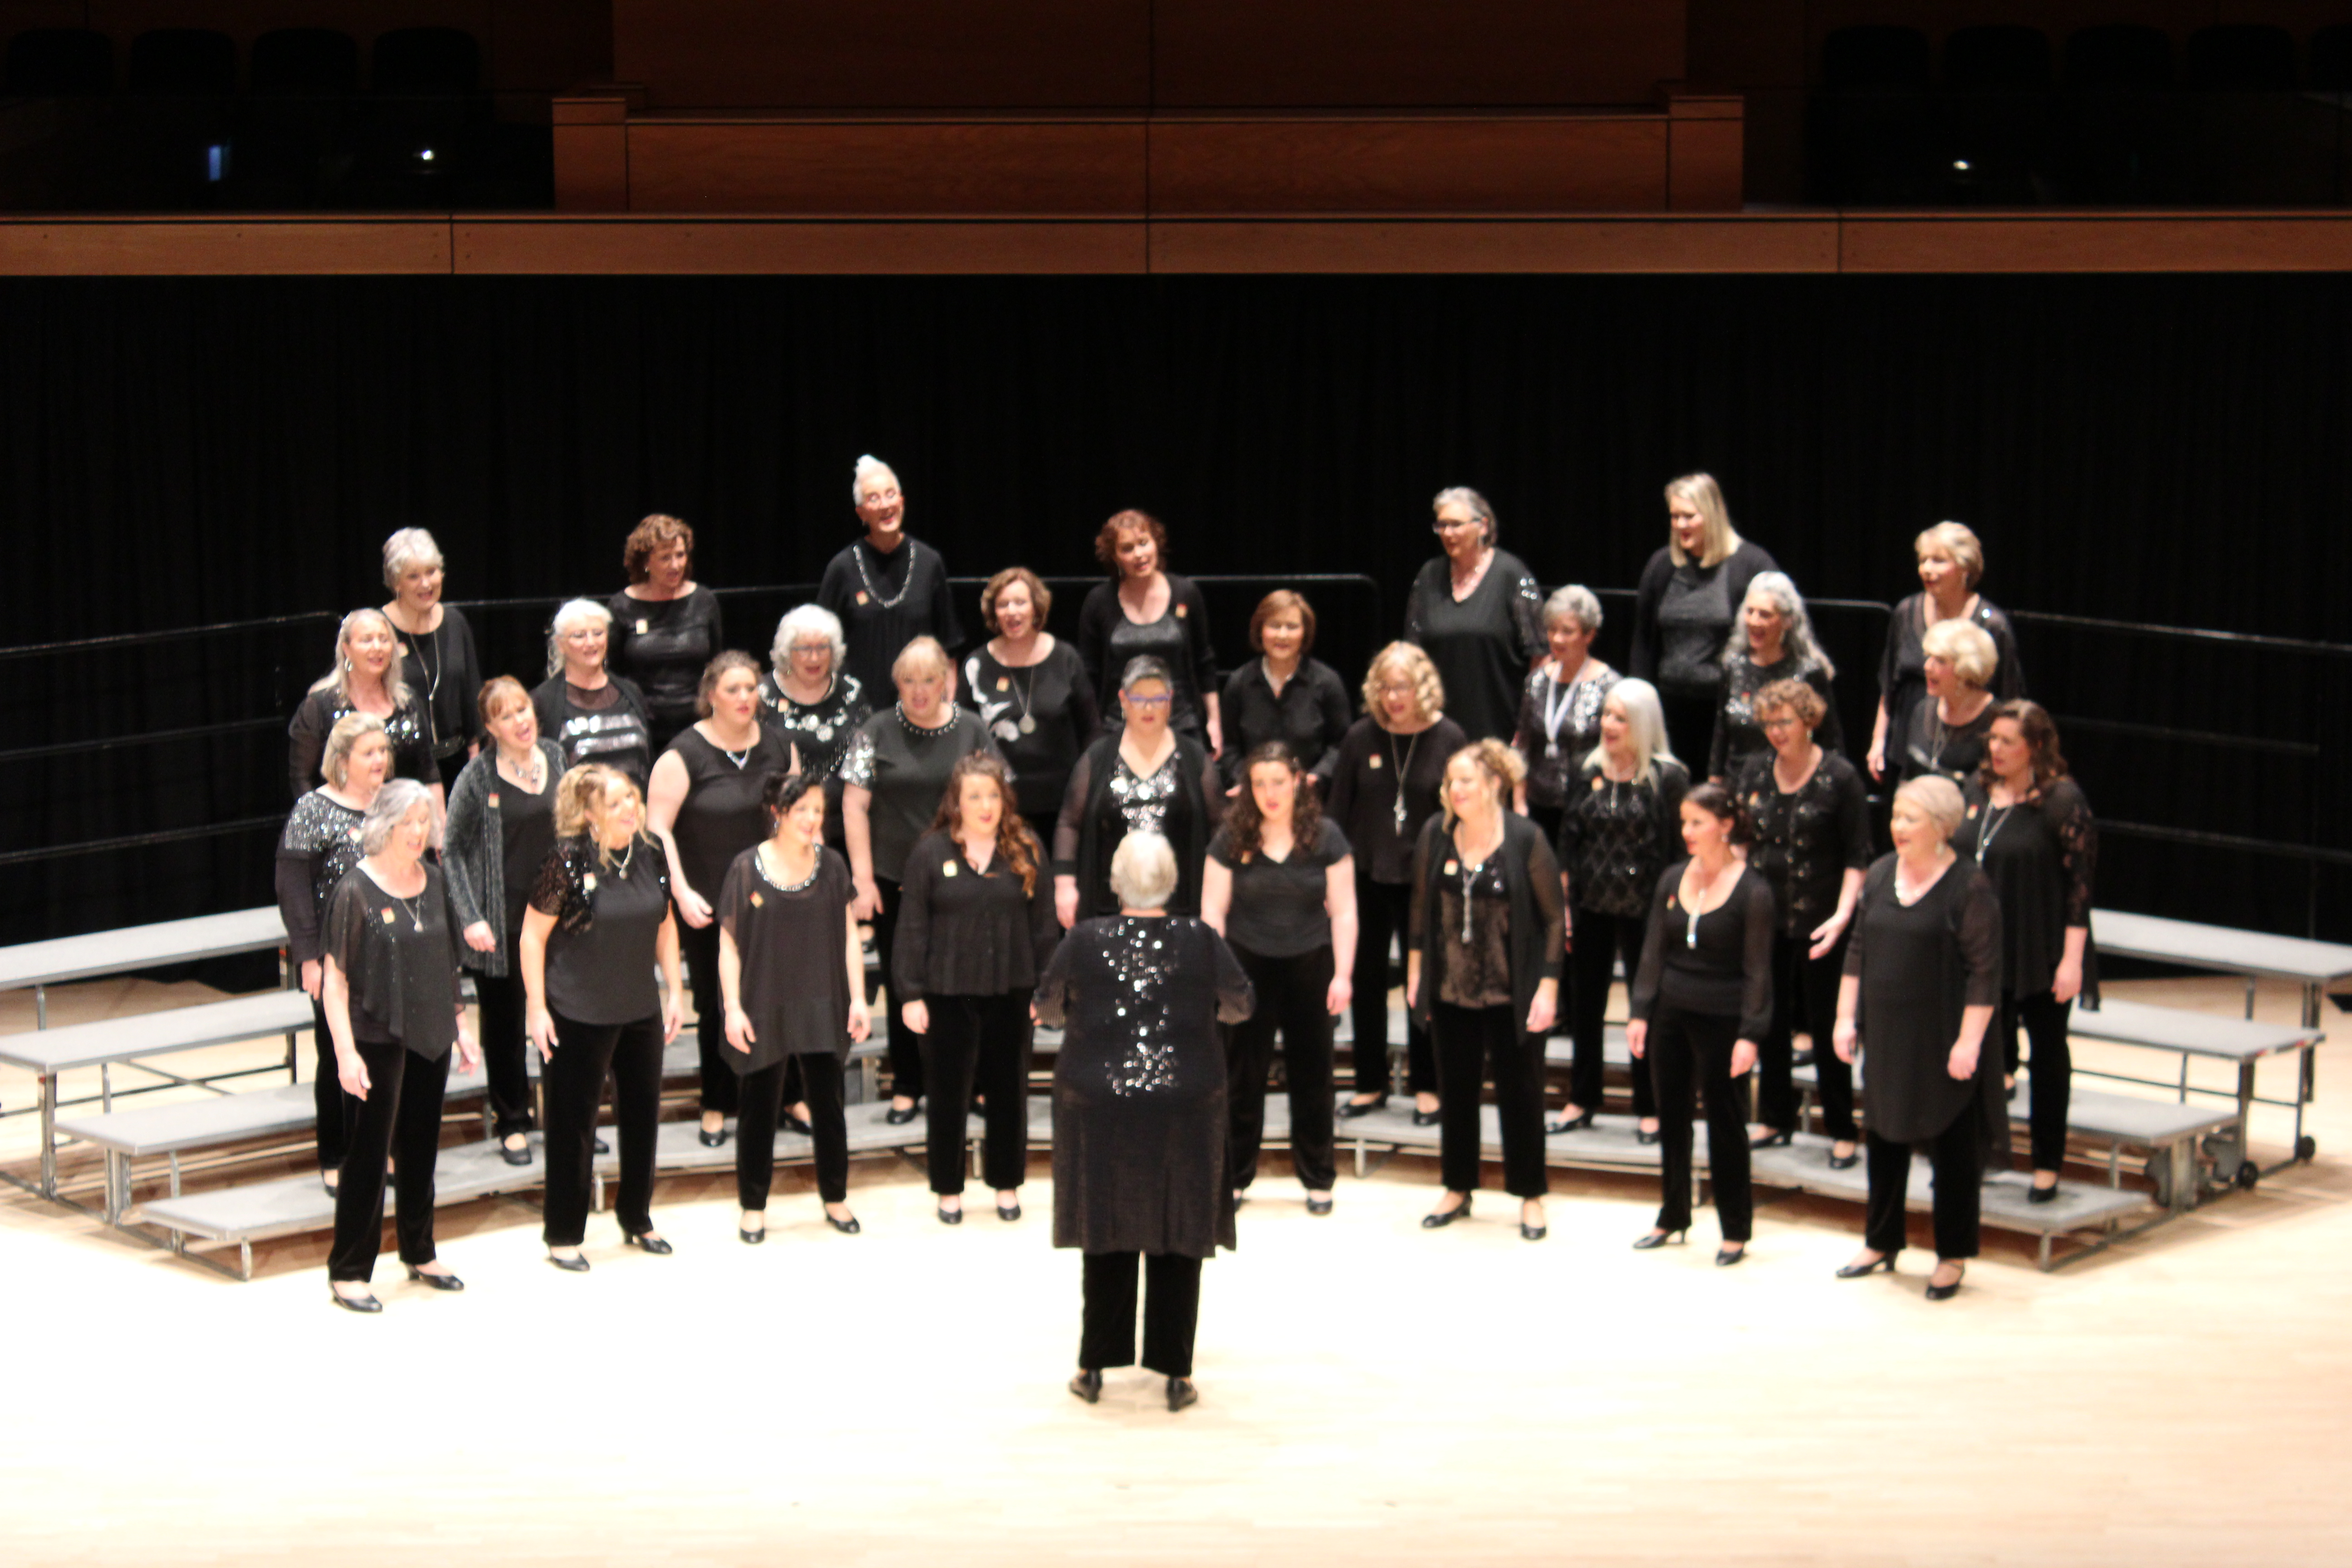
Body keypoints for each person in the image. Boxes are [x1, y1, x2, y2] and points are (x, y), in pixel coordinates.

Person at [1036, 832, 1253, 1413]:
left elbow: (1047, 1008)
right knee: (1180, 1230)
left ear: (1115, 881)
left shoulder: (1084, 939)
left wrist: (1085, 1011)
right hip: (1185, 1105)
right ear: (1173, 881)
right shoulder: (1202, 940)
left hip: (1100, 1105)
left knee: (1104, 1230)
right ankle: (1176, 1373)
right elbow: (1241, 1005)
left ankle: (1094, 1366)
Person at [1833, 776, 2004, 1302]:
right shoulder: (1882, 873)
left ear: (1942, 827)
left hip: (1942, 1037)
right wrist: (1845, 1018)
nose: (1898, 827)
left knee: (1953, 1154)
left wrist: (1969, 1042)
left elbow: (1985, 972)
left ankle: (1952, 1256)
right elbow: (1858, 950)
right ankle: (1881, 1241)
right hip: (1888, 1035)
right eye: (1896, 816)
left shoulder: (1968, 886)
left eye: (1910, 818)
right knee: (1884, 1139)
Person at [318, 780, 478, 1312]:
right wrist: (345, 1053)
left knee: (421, 1147)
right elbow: (335, 982)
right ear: (384, 825)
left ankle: (420, 1250)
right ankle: (349, 1271)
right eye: (407, 822)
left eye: (424, 822)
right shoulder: (355, 891)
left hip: (431, 1032)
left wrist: (462, 1026)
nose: (417, 832)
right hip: (375, 1038)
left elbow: (446, 964)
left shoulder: (435, 881)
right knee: (368, 1155)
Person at [520, 764, 684, 1271]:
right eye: (614, 804)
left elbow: (665, 925)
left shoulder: (650, 852)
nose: (629, 809)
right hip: (577, 1012)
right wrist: (536, 1007)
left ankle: (637, 1217)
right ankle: (563, 1235)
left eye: (630, 798)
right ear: (589, 814)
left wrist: (676, 991)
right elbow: (532, 937)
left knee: (642, 1119)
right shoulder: (566, 860)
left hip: (639, 1008)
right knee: (573, 1127)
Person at [894, 753, 1058, 1224]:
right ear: (956, 802)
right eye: (975, 797)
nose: (985, 806)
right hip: (947, 994)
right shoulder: (930, 853)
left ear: (1005, 800)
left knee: (1009, 1093)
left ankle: (1006, 1185)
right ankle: (949, 1190)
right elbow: (912, 929)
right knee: (947, 1096)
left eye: (993, 796)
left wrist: (1045, 991)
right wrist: (911, 994)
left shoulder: (1027, 849)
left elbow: (1044, 928)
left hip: (1012, 992)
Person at [842, 635, 1000, 1124]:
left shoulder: (972, 728)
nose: (919, 690)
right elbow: (854, 805)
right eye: (909, 681)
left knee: (966, 983)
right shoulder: (876, 730)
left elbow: (997, 796)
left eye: (929, 680)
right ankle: (907, 1085)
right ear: (897, 684)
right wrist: (863, 879)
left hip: (964, 880)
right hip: (894, 878)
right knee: (903, 982)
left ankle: (971, 1083)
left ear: (946, 681)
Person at [1407, 740, 1561, 1242]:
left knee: (1522, 1095)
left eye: (1466, 780)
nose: (1456, 789)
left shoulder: (1525, 838)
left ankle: (1531, 1195)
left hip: (1512, 992)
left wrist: (1548, 986)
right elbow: (1420, 910)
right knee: (1456, 1094)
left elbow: (1555, 919)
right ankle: (1458, 1188)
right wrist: (1416, 973)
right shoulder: (1436, 833)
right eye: (1451, 780)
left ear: (1494, 783)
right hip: (1451, 990)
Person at [647, 652, 799, 1150]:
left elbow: (797, 818)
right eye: (733, 689)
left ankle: (790, 1097)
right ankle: (716, 1103)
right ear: (711, 695)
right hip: (708, 901)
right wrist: (680, 889)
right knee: (716, 1005)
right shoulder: (683, 755)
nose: (744, 698)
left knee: (781, 997)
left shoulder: (780, 745)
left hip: (772, 897)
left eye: (751, 688)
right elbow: (657, 828)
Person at [718, 771, 872, 1240]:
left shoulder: (833, 865)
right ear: (778, 812)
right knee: (759, 1107)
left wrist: (859, 998)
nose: (811, 818)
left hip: (823, 999)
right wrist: (732, 1007)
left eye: (818, 810)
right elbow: (728, 945)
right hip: (764, 1000)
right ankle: (753, 1206)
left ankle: (836, 1197)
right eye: (801, 809)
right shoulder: (746, 867)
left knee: (829, 1106)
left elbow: (849, 937)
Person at [1203, 743, 1355, 1215]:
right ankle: (1234, 1178)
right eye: (1260, 783)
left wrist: (1344, 975)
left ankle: (1319, 1178)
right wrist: (1218, 974)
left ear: (1297, 783)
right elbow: (1213, 910)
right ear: (1248, 788)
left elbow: (1345, 911)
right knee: (1242, 1079)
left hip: (1311, 966)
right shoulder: (1231, 836)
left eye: (1278, 782)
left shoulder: (1326, 836)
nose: (1270, 793)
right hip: (1246, 970)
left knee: (1314, 1077)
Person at [1626, 782, 1774, 1264]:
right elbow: (1653, 951)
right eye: (1684, 822)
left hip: (1723, 1018)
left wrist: (1751, 1033)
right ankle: (1673, 1214)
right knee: (1671, 1117)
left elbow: (1758, 971)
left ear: (1725, 825)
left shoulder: (1753, 891)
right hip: (1671, 1012)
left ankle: (1735, 1229)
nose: (1686, 831)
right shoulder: (1673, 879)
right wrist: (1640, 1011)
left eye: (1697, 822)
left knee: (1725, 1123)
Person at [1954, 700, 2097, 1202]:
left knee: (2048, 1055)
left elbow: (2080, 888)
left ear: (2035, 746)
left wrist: (2072, 960)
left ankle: (2046, 1164)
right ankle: (1979, 1153)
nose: (1995, 749)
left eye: (2007, 742)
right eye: (1991, 739)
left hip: (2041, 945)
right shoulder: (1975, 791)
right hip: (1983, 946)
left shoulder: (2061, 801)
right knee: (1980, 1052)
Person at [1733, 679, 1870, 1163]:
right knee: (1768, 1019)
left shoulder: (1840, 777)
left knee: (1826, 1022)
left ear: (1808, 721)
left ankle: (1841, 1128)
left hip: (1822, 919)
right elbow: (1740, 842)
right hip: (1765, 917)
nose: (1776, 732)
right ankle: (1775, 1117)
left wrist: (1843, 915)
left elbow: (1858, 855)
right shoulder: (1754, 771)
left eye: (1785, 722)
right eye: (1769, 723)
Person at [1552, 679, 1688, 1141]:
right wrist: (1565, 904)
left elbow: (1678, 852)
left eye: (1620, 718)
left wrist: (1674, 912)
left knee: (1644, 1007)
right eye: (1606, 715)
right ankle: (1582, 1097)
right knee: (1584, 1006)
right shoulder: (1585, 768)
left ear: (1643, 724)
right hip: (1591, 903)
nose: (1608, 725)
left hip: (1646, 910)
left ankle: (1650, 1104)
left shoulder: (1668, 778)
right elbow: (1569, 841)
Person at [441, 677, 565, 1167]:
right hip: (502, 923)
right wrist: (470, 917)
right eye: (506, 715)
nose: (520, 720)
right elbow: (451, 851)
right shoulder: (477, 777)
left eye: (524, 709)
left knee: (566, 1021)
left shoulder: (555, 756)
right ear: (491, 728)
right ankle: (513, 1122)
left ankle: (566, 1120)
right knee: (506, 1028)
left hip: (556, 918)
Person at [275, 713, 391, 1193]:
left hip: (389, 956)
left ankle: (380, 1152)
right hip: (334, 958)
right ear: (342, 760)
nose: (380, 760)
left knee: (387, 1058)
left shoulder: (392, 805)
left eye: (383, 751)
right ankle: (336, 1154)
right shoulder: (312, 810)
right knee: (337, 1055)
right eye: (369, 753)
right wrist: (309, 957)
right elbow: (293, 889)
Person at [1054, 656, 1224, 927]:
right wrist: (1064, 885)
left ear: (1170, 701)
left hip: (1182, 906)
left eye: (1158, 699)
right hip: (1107, 906)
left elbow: (1220, 827)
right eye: (1138, 698)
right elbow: (1069, 823)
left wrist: (1215, 896)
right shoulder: (1097, 758)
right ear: (1123, 700)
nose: (1148, 707)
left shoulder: (1195, 758)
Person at [1628, 473, 1779, 766]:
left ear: (1712, 514)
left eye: (1689, 516)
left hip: (1726, 710)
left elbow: (1774, 634)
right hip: (1670, 706)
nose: (1680, 525)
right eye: (1675, 517)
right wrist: (1639, 698)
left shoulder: (1750, 564)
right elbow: (1643, 641)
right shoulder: (1662, 564)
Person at [1868, 521, 2026, 785]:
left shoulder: (1992, 624)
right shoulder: (1907, 612)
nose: (1927, 569)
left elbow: (2010, 701)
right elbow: (1889, 685)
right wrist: (1878, 742)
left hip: (1968, 754)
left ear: (1965, 568)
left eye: (1939, 561)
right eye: (1923, 560)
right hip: (1909, 745)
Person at [963, 567, 1097, 849]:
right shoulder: (976, 665)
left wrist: (1085, 786)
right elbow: (964, 736)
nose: (1012, 612)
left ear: (1036, 607)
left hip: (1063, 806)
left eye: (1020, 602)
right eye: (1003, 604)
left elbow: (1092, 730)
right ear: (994, 613)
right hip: (997, 806)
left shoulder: (1066, 659)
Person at [1402, 486, 1544, 745]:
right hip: (1437, 728)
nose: (1448, 533)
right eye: (1442, 525)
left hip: (1498, 725)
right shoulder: (1429, 576)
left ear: (1483, 526)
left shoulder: (1511, 575)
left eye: (1456, 525)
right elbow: (1412, 654)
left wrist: (1527, 725)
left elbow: (1540, 655)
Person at [818, 455, 964, 699]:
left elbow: (949, 646)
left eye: (890, 494)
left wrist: (949, 704)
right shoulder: (842, 567)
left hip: (921, 704)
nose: (885, 505)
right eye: (873, 498)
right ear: (861, 513)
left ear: (902, 502)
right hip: (858, 704)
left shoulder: (930, 562)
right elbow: (822, 645)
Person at [1075, 509, 1221, 750]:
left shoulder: (1186, 593)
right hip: (1118, 727)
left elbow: (1204, 662)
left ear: (1156, 543)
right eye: (1127, 549)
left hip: (1182, 723)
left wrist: (1214, 721)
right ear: (1114, 557)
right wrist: (1092, 734)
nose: (1139, 554)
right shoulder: (1099, 602)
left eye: (1144, 543)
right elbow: (1088, 675)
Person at [288, 608, 441, 806]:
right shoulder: (319, 705)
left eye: (384, 640)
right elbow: (301, 777)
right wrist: (319, 818)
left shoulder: (408, 701)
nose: (377, 647)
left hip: (403, 817)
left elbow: (429, 770)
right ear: (347, 649)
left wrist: (438, 820)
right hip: (340, 818)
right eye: (367, 640)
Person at [607, 513, 725, 757]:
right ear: (645, 562)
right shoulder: (622, 606)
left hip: (699, 724)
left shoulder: (704, 601)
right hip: (643, 725)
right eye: (665, 558)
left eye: (680, 555)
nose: (676, 565)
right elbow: (614, 672)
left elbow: (717, 664)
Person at [1709, 571, 1844, 781]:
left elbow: (1830, 741)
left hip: (1793, 783)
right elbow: (1721, 734)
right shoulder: (1734, 667)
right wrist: (1715, 780)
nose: (1754, 621)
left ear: (1787, 621)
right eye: (1750, 612)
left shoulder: (1808, 672)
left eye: (1765, 615)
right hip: (1738, 783)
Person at [759, 604, 872, 852]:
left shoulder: (852, 693)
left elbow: (865, 764)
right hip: (782, 826)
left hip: (846, 826)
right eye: (804, 649)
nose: (814, 658)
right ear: (788, 652)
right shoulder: (763, 695)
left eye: (823, 648)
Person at [1511, 585, 1617, 847]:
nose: (1557, 639)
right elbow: (1523, 745)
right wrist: (1519, 803)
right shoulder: (1537, 681)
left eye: (1567, 631)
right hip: (1536, 807)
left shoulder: (1610, 686)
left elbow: (1615, 752)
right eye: (1552, 630)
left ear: (1589, 635)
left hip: (1586, 809)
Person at [1217, 590, 1351, 790]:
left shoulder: (1328, 683)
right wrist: (1247, 781)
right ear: (1260, 630)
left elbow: (1341, 745)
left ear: (1305, 633)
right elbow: (1229, 748)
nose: (1283, 635)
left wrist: (1315, 778)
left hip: (1310, 795)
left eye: (1292, 627)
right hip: (1254, 794)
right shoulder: (1239, 683)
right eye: (1274, 626)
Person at [379, 528, 482, 782]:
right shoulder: (379, 628)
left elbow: (471, 694)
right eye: (414, 576)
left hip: (457, 763)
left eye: (431, 572)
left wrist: (475, 757)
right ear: (396, 583)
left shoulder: (455, 621)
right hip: (401, 767)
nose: (426, 584)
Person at [531, 599, 655, 790]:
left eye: (598, 633)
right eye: (579, 636)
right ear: (560, 644)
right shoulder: (543, 702)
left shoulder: (631, 692)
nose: (591, 643)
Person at [1896, 620, 1999, 786]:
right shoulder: (1922, 710)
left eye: (1941, 661)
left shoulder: (1995, 720)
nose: (1928, 667)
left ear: (1967, 669)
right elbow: (1907, 776)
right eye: (1929, 657)